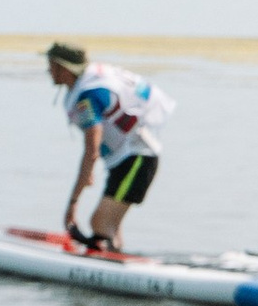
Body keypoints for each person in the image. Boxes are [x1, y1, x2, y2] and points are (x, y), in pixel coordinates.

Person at [47, 44, 172, 251]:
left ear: (64, 69)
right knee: (109, 226)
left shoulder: (86, 99)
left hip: (137, 159)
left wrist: (73, 203)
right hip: (123, 159)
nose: (48, 71)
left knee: (100, 223)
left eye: (51, 66)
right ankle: (114, 258)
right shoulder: (88, 83)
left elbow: (92, 149)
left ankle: (107, 268)